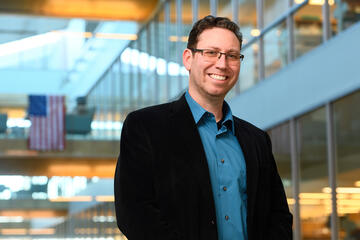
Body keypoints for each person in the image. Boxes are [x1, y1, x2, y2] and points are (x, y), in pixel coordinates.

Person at [114, 15, 293, 240]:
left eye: (232, 56)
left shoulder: (256, 140)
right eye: (211, 52)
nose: (222, 63)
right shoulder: (146, 127)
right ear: (188, 59)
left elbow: (278, 217)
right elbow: (135, 214)